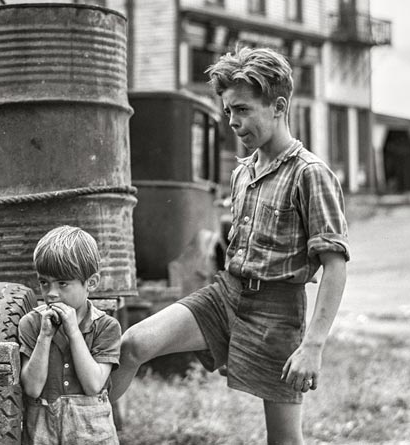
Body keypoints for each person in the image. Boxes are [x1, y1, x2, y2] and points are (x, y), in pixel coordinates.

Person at [110, 45, 349, 445]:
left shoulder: (310, 175)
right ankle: (86, 433)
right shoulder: (243, 173)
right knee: (132, 344)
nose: (233, 123)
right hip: (226, 296)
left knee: (284, 441)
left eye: (243, 110)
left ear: (278, 105)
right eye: (228, 112)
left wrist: (313, 346)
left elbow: (335, 266)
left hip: (277, 314)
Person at [18, 225, 122, 445]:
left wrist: (74, 331)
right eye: (44, 283)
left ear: (91, 283)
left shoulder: (106, 327)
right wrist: (44, 337)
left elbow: (93, 385)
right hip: (42, 430)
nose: (51, 294)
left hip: (92, 431)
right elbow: (33, 388)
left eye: (63, 283)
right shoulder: (32, 324)